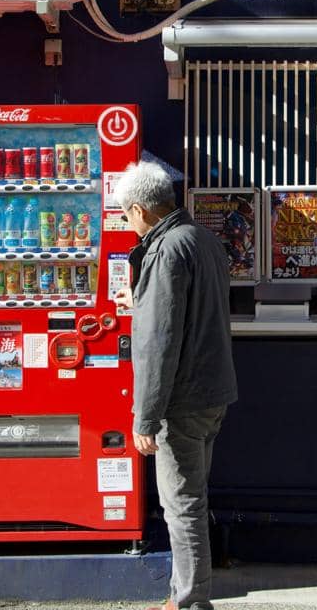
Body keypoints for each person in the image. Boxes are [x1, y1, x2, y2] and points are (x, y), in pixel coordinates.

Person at [112, 161, 238, 610]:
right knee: (192, 496)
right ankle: (184, 595)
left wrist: (145, 415)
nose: (127, 223)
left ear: (142, 210)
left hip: (180, 399)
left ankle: (188, 602)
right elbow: (187, 311)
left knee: (180, 504)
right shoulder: (202, 239)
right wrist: (140, 301)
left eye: (126, 214)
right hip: (214, 391)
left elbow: (160, 341)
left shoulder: (165, 250)